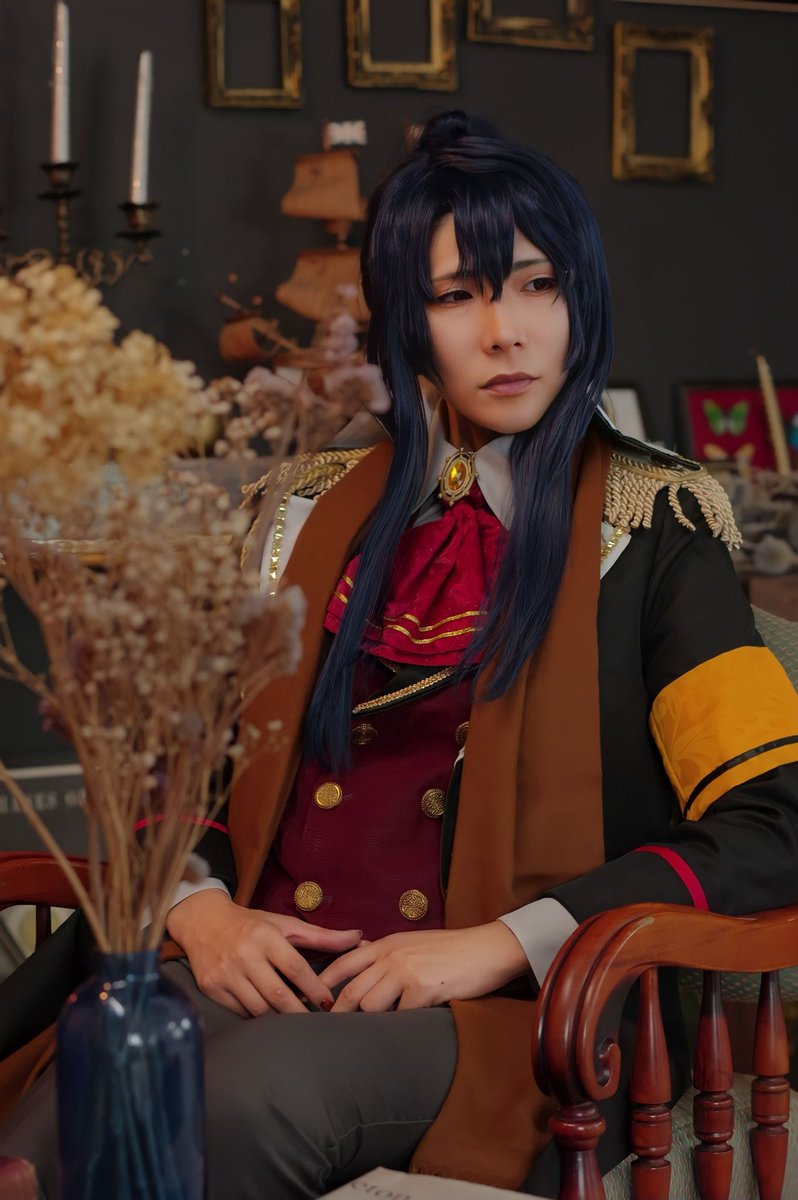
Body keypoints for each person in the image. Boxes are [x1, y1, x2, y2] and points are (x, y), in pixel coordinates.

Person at [3, 110, 798, 1200]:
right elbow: (182, 768)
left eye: (537, 285)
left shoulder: (656, 525)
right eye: (458, 296)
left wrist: (498, 943)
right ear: (404, 321)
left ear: (582, 298)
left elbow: (774, 820)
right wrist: (200, 910)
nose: (506, 333)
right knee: (84, 1083)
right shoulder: (299, 509)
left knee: (238, 1100)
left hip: (496, 1012)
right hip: (263, 958)